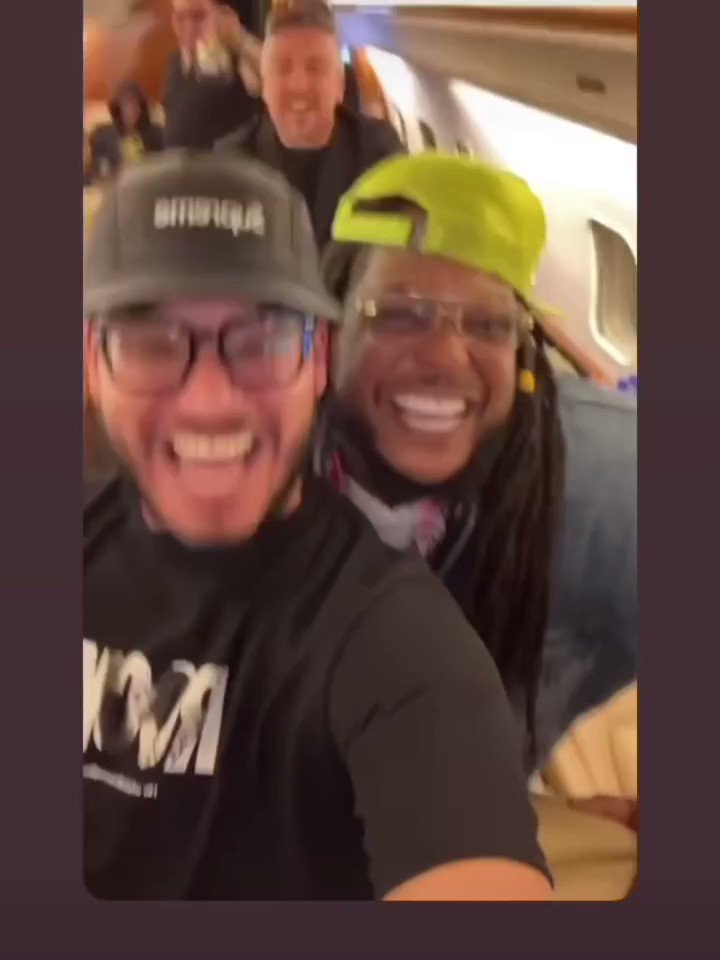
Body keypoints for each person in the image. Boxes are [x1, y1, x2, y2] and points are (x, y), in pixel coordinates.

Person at [83, 150, 552, 901]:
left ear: (318, 361)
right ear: (92, 364)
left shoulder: (397, 635)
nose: (210, 401)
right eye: (149, 342)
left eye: (263, 340)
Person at [318, 152, 638, 782]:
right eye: (398, 314)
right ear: (329, 326)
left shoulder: (610, 483)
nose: (445, 357)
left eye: (489, 324)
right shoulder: (252, 445)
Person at [215, 0, 404, 250]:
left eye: (315, 68)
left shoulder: (380, 155)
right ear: (265, 85)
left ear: (339, 86)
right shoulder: (229, 165)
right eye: (283, 68)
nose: (299, 85)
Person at [163, 0, 261, 149]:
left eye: (198, 16)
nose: (188, 29)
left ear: (226, 17)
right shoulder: (176, 61)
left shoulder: (246, 62)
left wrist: (237, 41)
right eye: (180, 18)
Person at [86, 82, 164, 183]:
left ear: (141, 107)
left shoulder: (156, 133)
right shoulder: (102, 135)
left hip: (146, 182)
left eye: (134, 106)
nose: (130, 111)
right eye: (125, 106)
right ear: (117, 108)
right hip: (117, 184)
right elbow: (97, 170)